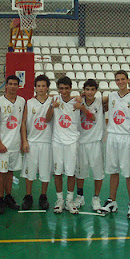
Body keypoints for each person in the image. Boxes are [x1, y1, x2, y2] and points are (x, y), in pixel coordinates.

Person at [100, 70, 130, 219]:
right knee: (113, 171)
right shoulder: (111, 97)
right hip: (112, 137)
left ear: (128, 80)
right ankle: (112, 201)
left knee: (128, 173)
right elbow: (98, 101)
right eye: (118, 80)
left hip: (126, 137)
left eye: (123, 79)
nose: (120, 82)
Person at [46, 76, 86, 214]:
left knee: (70, 172)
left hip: (72, 142)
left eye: (66, 88)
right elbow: (47, 118)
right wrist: (52, 107)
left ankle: (69, 200)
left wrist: (80, 101)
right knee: (57, 172)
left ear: (70, 88)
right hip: (57, 141)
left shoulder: (77, 101)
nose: (64, 91)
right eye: (61, 88)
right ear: (58, 89)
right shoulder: (54, 100)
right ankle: (59, 200)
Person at [0, 75, 25, 214]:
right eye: (10, 84)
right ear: (6, 85)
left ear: (18, 86)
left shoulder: (22, 101)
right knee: (2, 173)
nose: (12, 86)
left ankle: (8, 196)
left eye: (15, 84)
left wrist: (23, 141)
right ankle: (0, 198)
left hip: (15, 144)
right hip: (3, 145)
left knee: (11, 172)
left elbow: (22, 123)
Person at [20, 75, 53, 210]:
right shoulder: (29, 102)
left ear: (47, 87)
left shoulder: (53, 101)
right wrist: (24, 141)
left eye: (43, 86)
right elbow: (23, 123)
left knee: (45, 172)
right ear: (35, 87)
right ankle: (28, 196)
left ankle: (43, 196)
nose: (41, 88)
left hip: (47, 141)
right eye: (38, 86)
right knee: (30, 172)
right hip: (32, 141)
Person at [74, 79, 105, 212]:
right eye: (87, 89)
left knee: (98, 173)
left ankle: (96, 198)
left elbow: (92, 117)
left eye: (92, 89)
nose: (90, 92)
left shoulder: (100, 102)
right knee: (80, 173)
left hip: (95, 143)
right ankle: (80, 196)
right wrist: (78, 100)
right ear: (84, 90)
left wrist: (83, 108)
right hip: (81, 141)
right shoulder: (79, 101)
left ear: (96, 91)